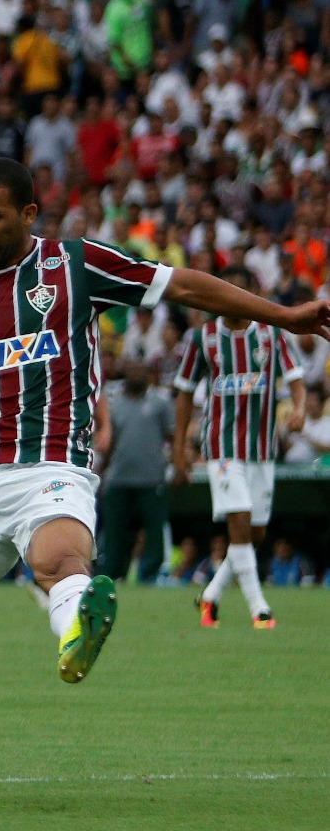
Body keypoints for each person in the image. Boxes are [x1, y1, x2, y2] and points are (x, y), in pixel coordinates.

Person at [0, 157, 330, 805]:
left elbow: (186, 287)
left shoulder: (76, 266)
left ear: (29, 213)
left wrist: (283, 315)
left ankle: (78, 621)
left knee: (57, 560)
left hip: (54, 462)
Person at [172, 266, 306, 631]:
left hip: (262, 447)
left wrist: (299, 408)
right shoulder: (203, 338)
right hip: (222, 445)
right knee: (241, 522)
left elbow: (296, 378)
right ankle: (259, 609)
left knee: (254, 533)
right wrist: (180, 450)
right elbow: (184, 393)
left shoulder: (270, 334)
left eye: (238, 292)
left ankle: (210, 595)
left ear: (250, 295)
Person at [98, 361, 173, 583]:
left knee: (154, 530)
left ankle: (151, 574)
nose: (137, 375)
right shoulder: (115, 405)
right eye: (133, 370)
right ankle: (114, 572)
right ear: (125, 374)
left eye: (141, 371)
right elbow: (109, 442)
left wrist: (174, 463)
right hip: (118, 478)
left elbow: (171, 436)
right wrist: (102, 471)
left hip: (151, 478)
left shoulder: (160, 403)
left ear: (149, 376)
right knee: (115, 531)